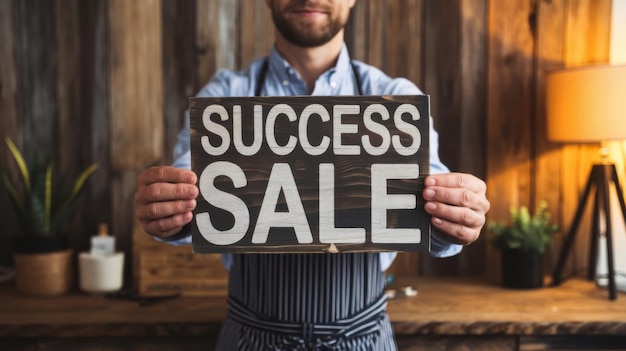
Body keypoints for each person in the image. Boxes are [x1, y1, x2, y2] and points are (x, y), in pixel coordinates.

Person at [135, 0, 490, 349]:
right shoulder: (225, 97)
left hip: (363, 339)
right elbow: (187, 190)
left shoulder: (396, 100)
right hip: (250, 340)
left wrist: (457, 216)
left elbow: (435, 214)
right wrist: (169, 209)